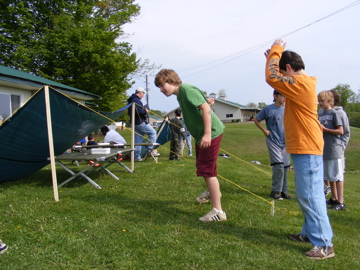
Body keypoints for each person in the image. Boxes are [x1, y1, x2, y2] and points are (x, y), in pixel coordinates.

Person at [265, 39, 334, 259]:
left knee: (310, 195)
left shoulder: (301, 82)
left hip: (308, 147)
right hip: (305, 146)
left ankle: (324, 244)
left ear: (288, 69)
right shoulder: (300, 83)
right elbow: (276, 79)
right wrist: (272, 58)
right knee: (308, 194)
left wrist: (275, 51)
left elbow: (271, 78)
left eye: (282, 70)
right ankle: (308, 233)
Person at [155, 69, 226, 222]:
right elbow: (202, 104)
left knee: (206, 169)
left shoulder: (186, 90)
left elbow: (205, 109)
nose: (161, 90)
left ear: (172, 81)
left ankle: (218, 211)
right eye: (159, 87)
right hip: (202, 135)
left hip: (210, 133)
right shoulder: (181, 94)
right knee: (204, 167)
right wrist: (206, 102)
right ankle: (212, 192)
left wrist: (207, 133)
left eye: (162, 85)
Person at [253, 89, 292, 200]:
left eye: (286, 96)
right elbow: (256, 120)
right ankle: (275, 192)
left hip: (285, 142)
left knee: (285, 167)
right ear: (275, 96)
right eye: (282, 95)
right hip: (273, 140)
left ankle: (284, 191)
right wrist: (264, 131)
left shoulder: (288, 109)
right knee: (278, 165)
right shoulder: (268, 109)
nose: (284, 98)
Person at [318, 90, 348, 211]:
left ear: (329, 101)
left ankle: (340, 202)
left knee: (337, 176)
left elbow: (340, 131)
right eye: (318, 100)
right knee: (330, 176)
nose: (319, 103)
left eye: (322, 101)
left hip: (334, 149)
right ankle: (334, 199)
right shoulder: (320, 114)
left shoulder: (335, 113)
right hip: (324, 149)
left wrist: (325, 129)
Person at [127, 87, 159, 161]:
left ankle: (136, 157)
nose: (143, 95)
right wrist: (145, 111)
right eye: (143, 94)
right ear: (140, 93)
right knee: (153, 132)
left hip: (134, 122)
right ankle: (151, 150)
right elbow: (138, 111)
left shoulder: (132, 100)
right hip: (139, 122)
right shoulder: (136, 100)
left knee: (138, 141)